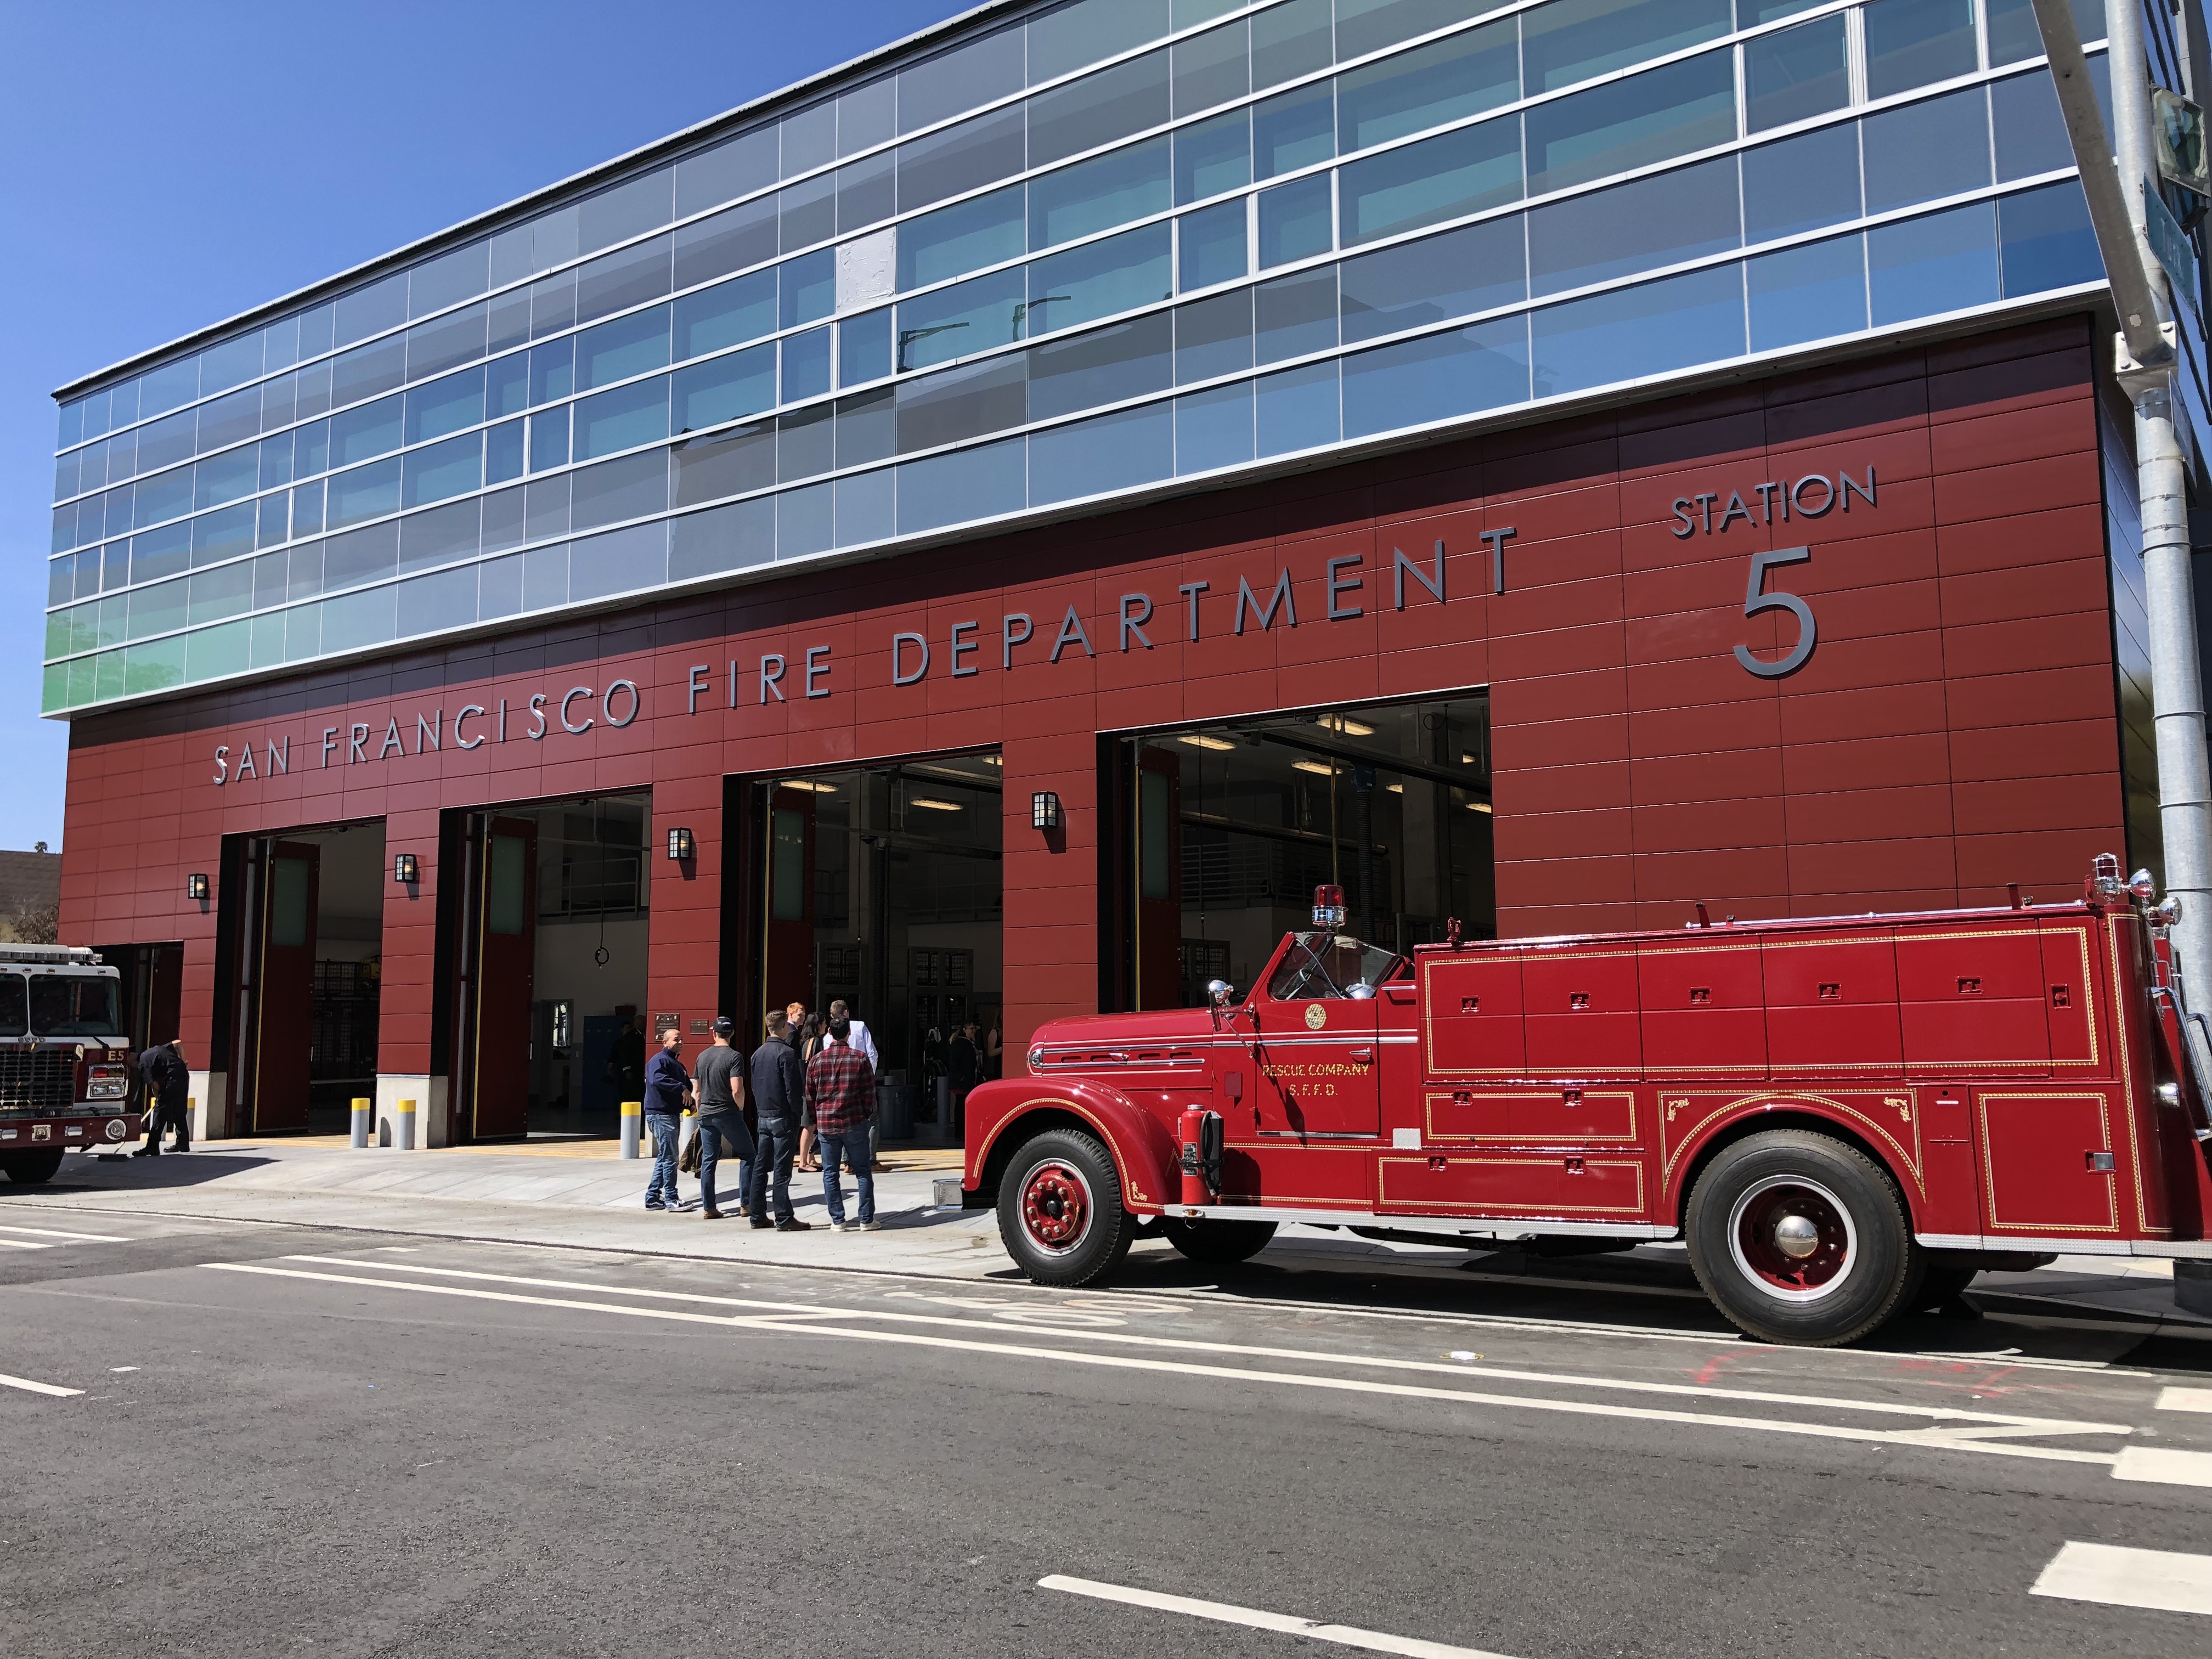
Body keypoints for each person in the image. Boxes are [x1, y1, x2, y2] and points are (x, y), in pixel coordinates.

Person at [806, 1012, 879, 1232]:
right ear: (849, 1033)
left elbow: (810, 1095)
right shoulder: (860, 1058)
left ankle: (838, 1220)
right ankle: (866, 1219)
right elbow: (869, 1093)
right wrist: (866, 1115)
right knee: (863, 1171)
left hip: (827, 1123)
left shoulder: (817, 1060)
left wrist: (815, 1118)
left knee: (830, 1173)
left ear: (829, 1032)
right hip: (854, 1121)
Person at [748, 1012, 811, 1231]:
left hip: (764, 1114)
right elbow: (793, 1090)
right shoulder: (787, 1053)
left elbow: (755, 1086)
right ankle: (784, 1217)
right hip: (783, 1116)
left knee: (761, 1167)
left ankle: (757, 1214)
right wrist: (796, 1115)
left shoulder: (757, 1054)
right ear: (784, 1026)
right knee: (782, 1170)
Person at [691, 1017, 753, 1221]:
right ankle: (746, 1203)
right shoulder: (734, 1057)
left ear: (714, 1033)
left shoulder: (702, 1056)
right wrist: (740, 1107)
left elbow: (697, 1091)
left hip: (707, 1113)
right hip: (727, 1112)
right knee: (748, 1155)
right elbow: (737, 1089)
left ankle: (709, 1207)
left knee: (709, 1159)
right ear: (732, 1034)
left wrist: (701, 1111)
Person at [641, 1026, 691, 1212]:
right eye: (676, 1040)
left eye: (682, 1039)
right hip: (661, 1116)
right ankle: (671, 1198)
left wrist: (690, 1102)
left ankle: (653, 1197)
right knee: (670, 1158)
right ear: (665, 1042)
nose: (680, 1042)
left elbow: (686, 1088)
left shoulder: (678, 1065)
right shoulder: (659, 1061)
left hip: (670, 1114)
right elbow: (657, 1080)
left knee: (665, 1157)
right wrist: (681, 1088)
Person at [130, 1037, 190, 1156]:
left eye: (128, 1062)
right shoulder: (156, 1049)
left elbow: (155, 1086)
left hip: (173, 1078)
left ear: (131, 1056)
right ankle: (183, 1143)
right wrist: (183, 1059)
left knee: (159, 1114)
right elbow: (178, 1043)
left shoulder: (143, 1062)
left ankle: (152, 1147)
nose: (130, 1066)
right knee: (179, 1110)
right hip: (183, 1074)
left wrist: (159, 1101)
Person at [608, 1017, 647, 1105]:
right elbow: (625, 1055)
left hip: (641, 1069)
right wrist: (627, 1070)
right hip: (633, 1069)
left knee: (640, 1092)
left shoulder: (644, 1035)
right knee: (630, 1093)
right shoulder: (630, 1037)